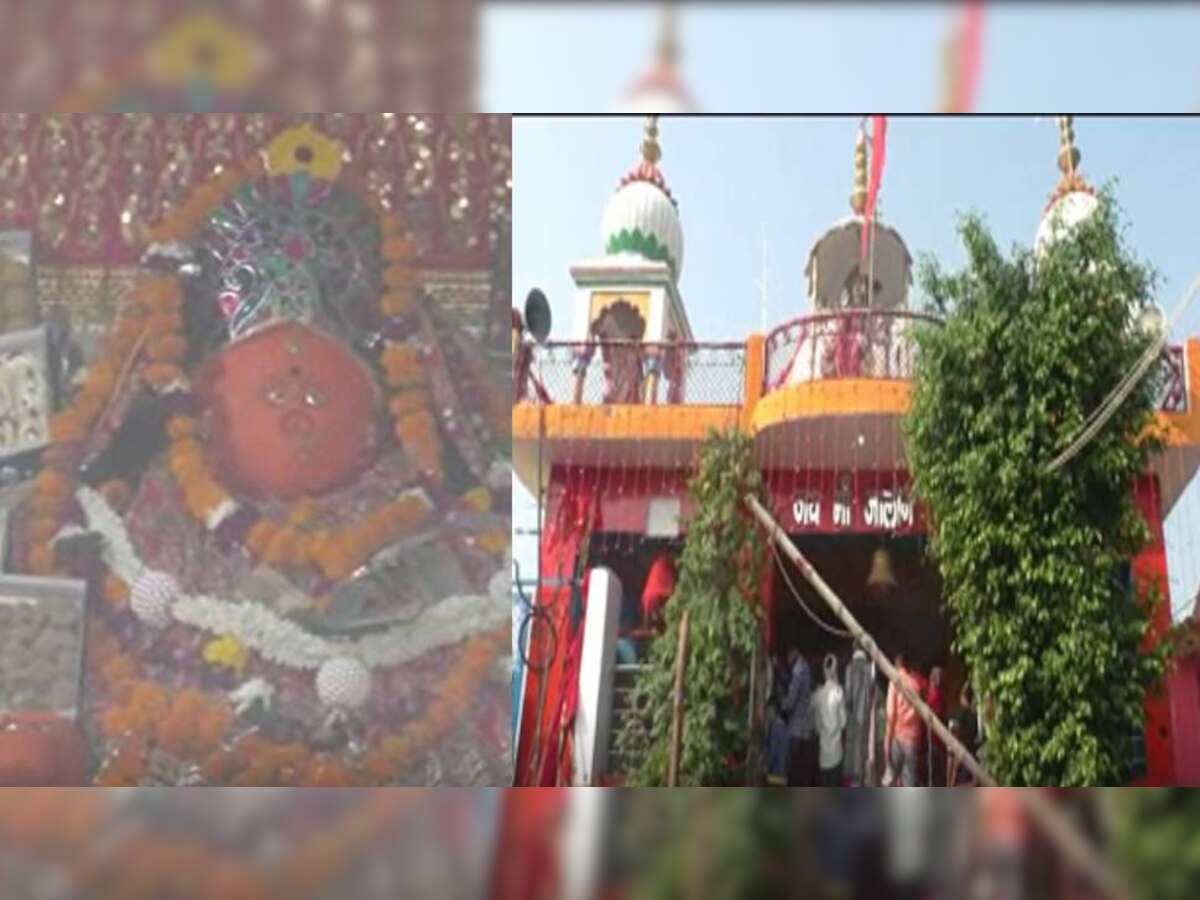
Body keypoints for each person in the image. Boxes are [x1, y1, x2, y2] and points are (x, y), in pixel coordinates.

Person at [884, 652, 922, 787]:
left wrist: (887, 741)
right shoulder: (915, 684)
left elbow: (891, 713)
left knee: (891, 779)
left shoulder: (895, 681)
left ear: (897, 664)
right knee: (909, 781)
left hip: (898, 737)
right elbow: (918, 714)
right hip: (912, 739)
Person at [782, 647, 817, 787]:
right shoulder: (806, 670)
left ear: (793, 654)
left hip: (796, 730)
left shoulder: (798, 673)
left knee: (794, 772)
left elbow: (790, 703)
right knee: (802, 772)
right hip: (805, 730)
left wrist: (781, 704)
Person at [811, 653, 848, 787]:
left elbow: (816, 725)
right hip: (836, 752)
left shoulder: (818, 694)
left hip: (823, 752)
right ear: (835, 670)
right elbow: (844, 723)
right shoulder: (838, 692)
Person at [843, 647, 874, 786]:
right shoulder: (870, 669)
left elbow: (848, 698)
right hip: (866, 720)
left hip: (854, 720)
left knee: (853, 764)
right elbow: (873, 693)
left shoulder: (850, 669)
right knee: (862, 758)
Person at [947, 683, 980, 787]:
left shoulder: (956, 714)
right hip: (972, 757)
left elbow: (952, 745)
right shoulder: (976, 718)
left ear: (962, 696)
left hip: (960, 758)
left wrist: (949, 780)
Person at [925, 665, 946, 787]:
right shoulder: (936, 695)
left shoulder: (934, 695)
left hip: (935, 740)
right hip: (935, 740)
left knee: (934, 773)